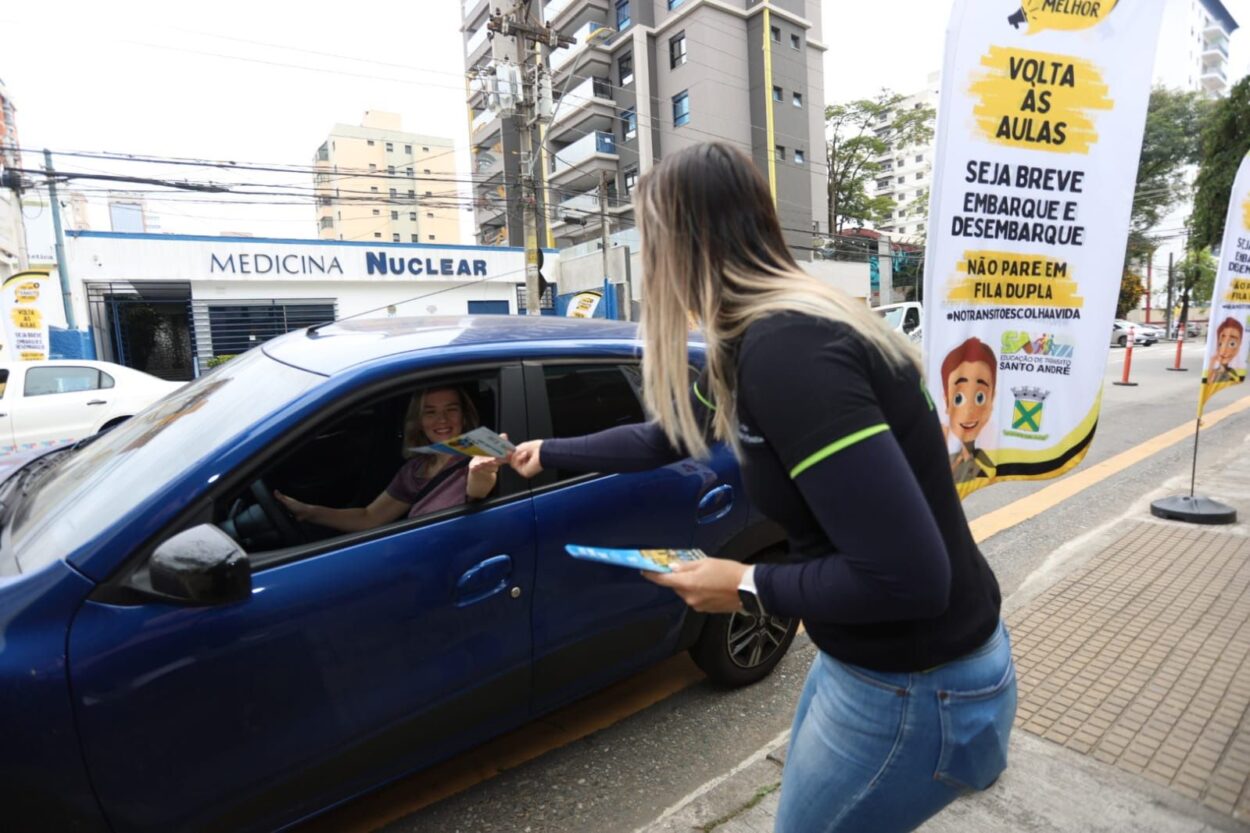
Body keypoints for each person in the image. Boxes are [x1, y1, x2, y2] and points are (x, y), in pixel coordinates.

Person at [509, 143, 1014, 833]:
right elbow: (666, 435)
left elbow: (911, 577)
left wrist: (746, 583)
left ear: (680, 245)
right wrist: (547, 452)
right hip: (870, 665)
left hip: (919, 683)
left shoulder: (790, 352)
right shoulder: (751, 339)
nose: (646, 262)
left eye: (648, 239)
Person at [275, 386, 505, 532]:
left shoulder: (480, 454)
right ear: (419, 419)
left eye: (451, 409)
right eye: (430, 411)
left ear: (464, 416)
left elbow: (479, 489)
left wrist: (481, 472)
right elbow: (369, 517)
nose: (442, 419)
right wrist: (309, 512)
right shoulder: (414, 469)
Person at [941, 337, 998, 485]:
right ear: (946, 400)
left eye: (980, 397)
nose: (969, 412)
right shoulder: (939, 460)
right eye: (958, 398)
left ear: (992, 399)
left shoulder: (989, 459)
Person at [1207, 317, 1245, 386]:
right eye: (1220, 344)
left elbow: (1238, 381)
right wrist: (1212, 363)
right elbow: (1208, 382)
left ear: (1240, 344)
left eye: (1232, 344)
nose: (1224, 350)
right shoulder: (1215, 372)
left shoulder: (1232, 371)